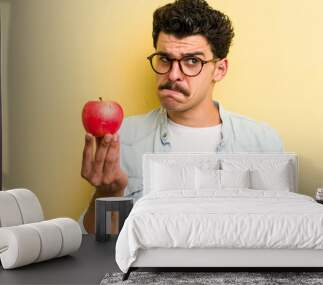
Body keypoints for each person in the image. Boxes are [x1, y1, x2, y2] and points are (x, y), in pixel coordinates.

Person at [80, 0, 284, 234]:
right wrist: (107, 194)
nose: (173, 75)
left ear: (220, 69)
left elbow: (279, 233)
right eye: (165, 59)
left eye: (192, 61)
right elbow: (99, 244)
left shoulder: (262, 143)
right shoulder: (120, 138)